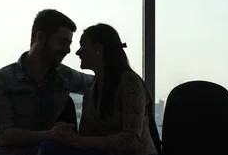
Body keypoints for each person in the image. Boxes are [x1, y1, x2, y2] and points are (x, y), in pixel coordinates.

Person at [0, 9, 95, 155]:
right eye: (62, 42)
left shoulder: (65, 76)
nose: (68, 50)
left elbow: (100, 81)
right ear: (40, 37)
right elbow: (6, 136)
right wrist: (51, 134)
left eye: (69, 44)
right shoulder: (0, 80)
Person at [37, 23, 160, 155]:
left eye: (83, 45)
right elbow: (85, 137)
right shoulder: (91, 90)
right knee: (49, 147)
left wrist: (81, 141)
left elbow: (131, 140)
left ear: (98, 48)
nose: (78, 52)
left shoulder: (129, 82)